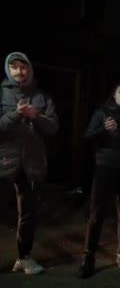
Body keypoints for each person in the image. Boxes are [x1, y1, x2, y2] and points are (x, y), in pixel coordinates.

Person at [77, 81, 120, 278]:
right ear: (114, 95)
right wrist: (103, 130)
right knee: (96, 215)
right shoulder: (102, 112)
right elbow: (88, 135)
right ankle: (88, 259)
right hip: (105, 169)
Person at [0, 52, 58, 274]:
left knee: (27, 214)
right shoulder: (1, 93)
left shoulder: (42, 96)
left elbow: (53, 128)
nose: (18, 71)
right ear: (8, 70)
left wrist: (36, 116)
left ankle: (23, 257)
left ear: (29, 69)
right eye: (13, 67)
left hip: (30, 163)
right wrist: (15, 114)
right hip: (4, 161)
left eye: (22, 67)